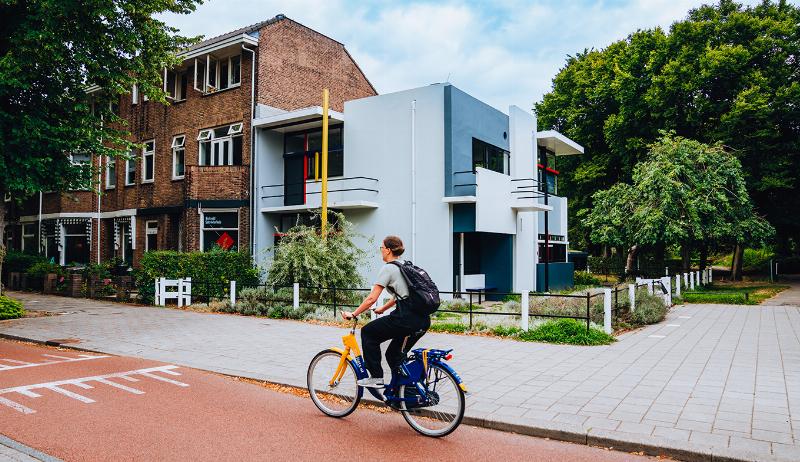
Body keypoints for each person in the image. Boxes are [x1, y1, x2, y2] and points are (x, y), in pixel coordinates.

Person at [341, 235, 431, 388]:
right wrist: (383, 308)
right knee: (393, 355)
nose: (381, 251)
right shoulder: (405, 265)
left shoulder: (389, 268)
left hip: (405, 319)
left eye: (381, 248)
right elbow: (402, 296)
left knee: (368, 332)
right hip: (422, 320)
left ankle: (376, 377)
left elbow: (371, 298)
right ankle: (405, 392)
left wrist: (354, 314)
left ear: (388, 250)